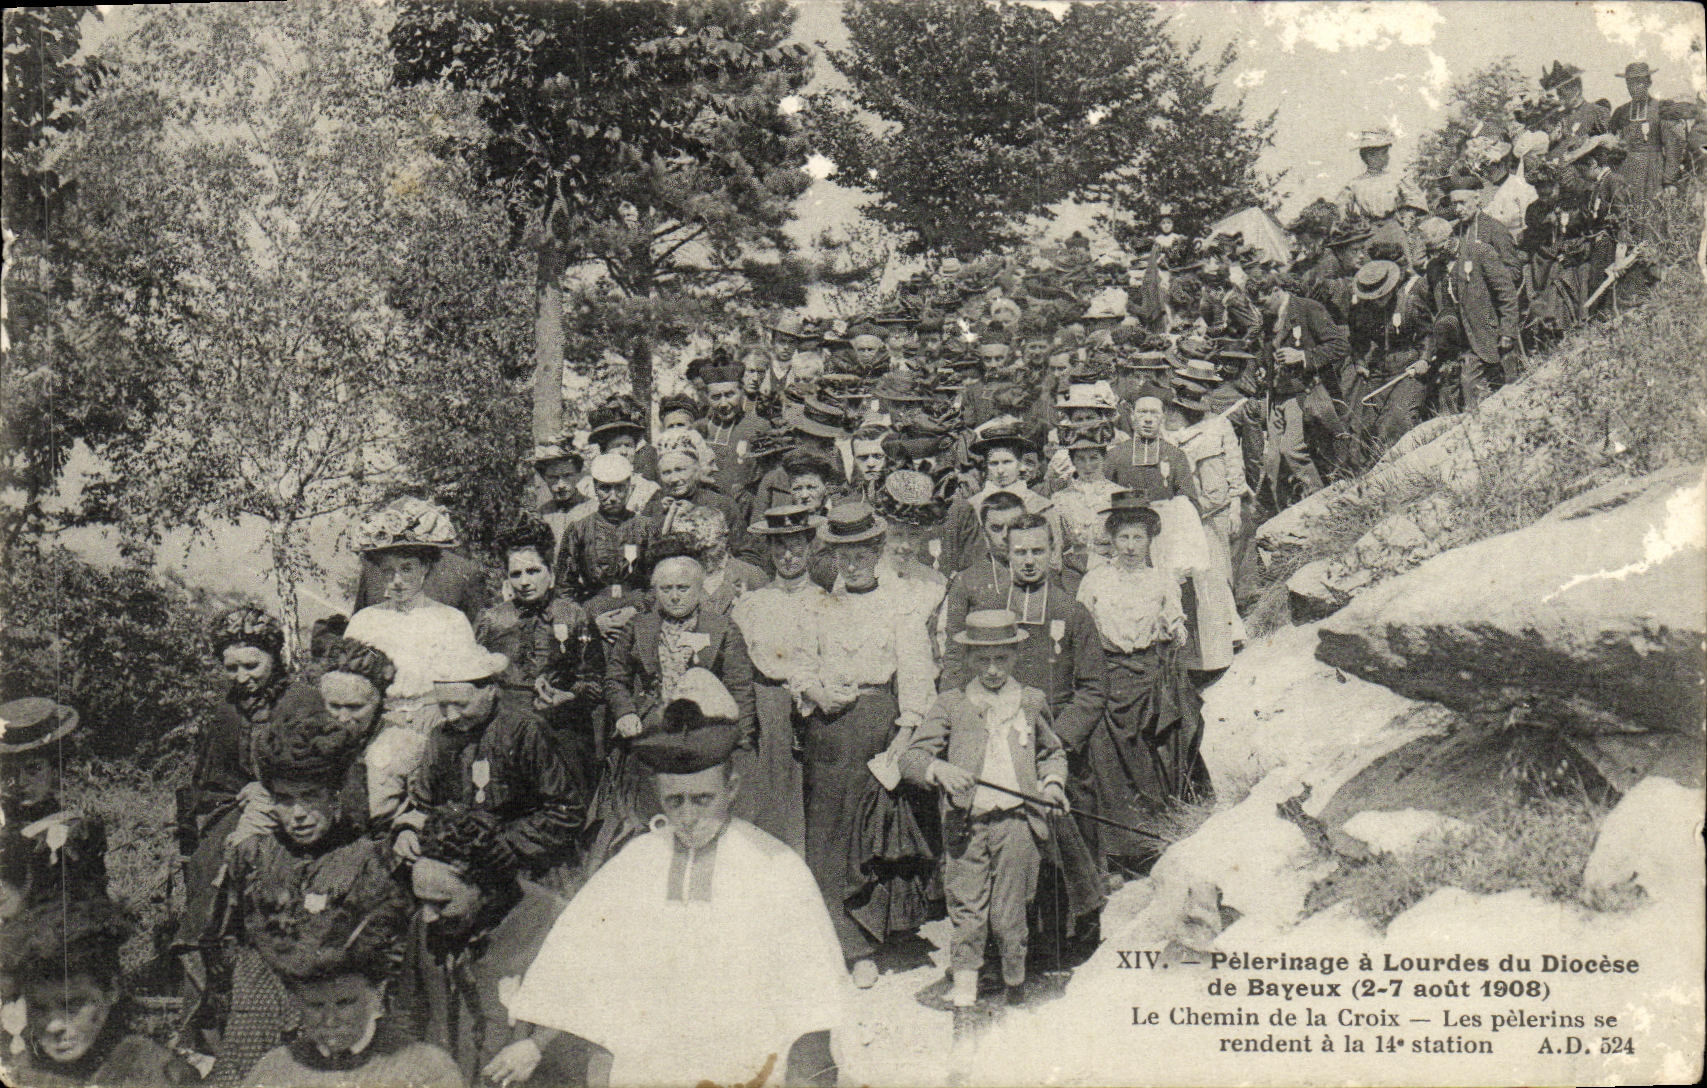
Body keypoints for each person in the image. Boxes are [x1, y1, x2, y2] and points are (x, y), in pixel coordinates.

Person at [508, 672, 846, 1087]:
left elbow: (814, 997)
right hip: (649, 1055)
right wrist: (535, 1043)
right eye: (675, 801)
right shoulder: (635, 863)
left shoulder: (775, 867)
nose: (688, 817)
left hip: (745, 1055)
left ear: (731, 789)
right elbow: (579, 956)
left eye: (703, 799)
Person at [208, 705, 408, 1087]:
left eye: (310, 796)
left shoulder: (369, 860)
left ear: (335, 794)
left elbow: (388, 961)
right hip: (257, 1016)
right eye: (284, 799)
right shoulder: (252, 856)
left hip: (336, 1019)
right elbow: (222, 939)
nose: (298, 813)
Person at [903, 610, 1068, 1031]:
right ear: (968, 660)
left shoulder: (1030, 702)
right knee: (967, 911)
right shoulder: (952, 704)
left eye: (1002, 659)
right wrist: (939, 771)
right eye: (982, 661)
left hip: (1017, 824)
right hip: (966, 827)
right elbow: (912, 757)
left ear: (1015, 656)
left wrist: (1051, 786)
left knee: (1010, 914)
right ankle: (965, 997)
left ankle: (1015, 988)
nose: (992, 671)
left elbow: (1052, 752)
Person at [800, 503, 939, 988]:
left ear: (877, 550)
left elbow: (918, 679)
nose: (852, 562)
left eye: (860, 552)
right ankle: (835, 941)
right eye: (842, 553)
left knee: (867, 836)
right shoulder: (819, 604)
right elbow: (800, 664)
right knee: (826, 834)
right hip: (828, 730)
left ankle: (865, 948)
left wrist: (903, 738)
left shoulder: (901, 604)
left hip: (879, 729)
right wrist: (817, 692)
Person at [1074, 494, 1209, 871]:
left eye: (1138, 538)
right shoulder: (1094, 581)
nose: (1131, 547)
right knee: (1106, 757)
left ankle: (1162, 837)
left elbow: (1177, 625)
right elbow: (1082, 633)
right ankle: (1122, 850)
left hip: (1151, 677)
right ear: (1112, 541)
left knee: (1167, 744)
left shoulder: (1162, 579)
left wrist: (1173, 632)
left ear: (1150, 539)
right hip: (1110, 678)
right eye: (1123, 538)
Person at [403, 804, 578, 1087]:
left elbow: (591, 1009)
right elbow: (408, 1012)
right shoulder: (425, 923)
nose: (427, 916)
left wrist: (537, 1047)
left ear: (487, 889)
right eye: (420, 900)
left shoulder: (553, 920)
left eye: (443, 903)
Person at [598, 555, 756, 859]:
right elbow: (615, 678)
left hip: (705, 737)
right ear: (655, 591)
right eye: (666, 588)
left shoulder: (722, 628)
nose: (674, 595)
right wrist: (626, 712)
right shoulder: (639, 627)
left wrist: (740, 744)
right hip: (651, 736)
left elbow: (740, 689)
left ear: (698, 589)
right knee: (647, 822)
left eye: (683, 588)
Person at [400, 639, 588, 885]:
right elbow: (424, 805)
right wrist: (408, 831)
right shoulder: (441, 736)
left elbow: (566, 811)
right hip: (458, 857)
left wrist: (504, 843)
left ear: (490, 691)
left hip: (522, 858)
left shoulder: (524, 729)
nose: (451, 715)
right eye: (443, 705)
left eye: (461, 704)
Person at [344, 497, 481, 826]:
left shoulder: (451, 619)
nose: (397, 580)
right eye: (388, 571)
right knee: (376, 811)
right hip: (380, 727)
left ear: (427, 568)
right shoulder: (365, 621)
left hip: (437, 726)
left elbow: (464, 688)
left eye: (407, 569)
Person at [245, 903, 460, 1088]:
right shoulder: (274, 1071)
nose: (330, 1020)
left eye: (345, 1003)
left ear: (376, 995)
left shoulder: (426, 1069)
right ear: (296, 1003)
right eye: (315, 1006)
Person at [1, 899, 198, 1087]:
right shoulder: (15, 1073)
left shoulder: (159, 1075)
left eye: (72, 1006)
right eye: (39, 1008)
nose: (54, 1026)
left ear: (111, 990)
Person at [729, 504, 826, 853]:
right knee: (767, 798)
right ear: (769, 551)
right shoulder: (752, 604)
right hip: (767, 708)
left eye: (796, 546)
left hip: (813, 708)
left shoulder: (825, 601)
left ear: (810, 547)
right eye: (779, 547)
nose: (788, 556)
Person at [477, 518, 603, 775]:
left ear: (551, 573)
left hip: (559, 727)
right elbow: (475, 681)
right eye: (516, 574)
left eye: (533, 571)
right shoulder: (492, 620)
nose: (524, 582)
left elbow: (594, 680)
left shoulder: (574, 616)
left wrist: (568, 696)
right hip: (505, 730)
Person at [1448, 187, 1523, 406]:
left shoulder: (1494, 229)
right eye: (1455, 204)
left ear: (1477, 199)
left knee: (1508, 386)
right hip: (1470, 322)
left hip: (1496, 318)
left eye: (1463, 202)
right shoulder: (1455, 233)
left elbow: (1514, 272)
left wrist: (1485, 280)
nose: (1458, 209)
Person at [1336, 129, 1428, 225]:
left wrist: (1408, 216)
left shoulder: (1396, 178)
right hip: (1368, 230)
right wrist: (1344, 221)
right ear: (1370, 156)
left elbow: (1415, 198)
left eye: (1386, 152)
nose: (1388, 157)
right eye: (1384, 153)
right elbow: (1341, 206)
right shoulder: (1355, 184)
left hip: (1393, 227)